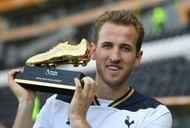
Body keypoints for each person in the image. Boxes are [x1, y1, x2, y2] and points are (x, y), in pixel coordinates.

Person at [8, 9, 172, 128]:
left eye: (125, 48)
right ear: (93, 52)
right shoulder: (57, 102)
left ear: (137, 57)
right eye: (107, 46)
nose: (115, 57)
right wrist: (26, 102)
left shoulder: (153, 114)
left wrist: (78, 119)